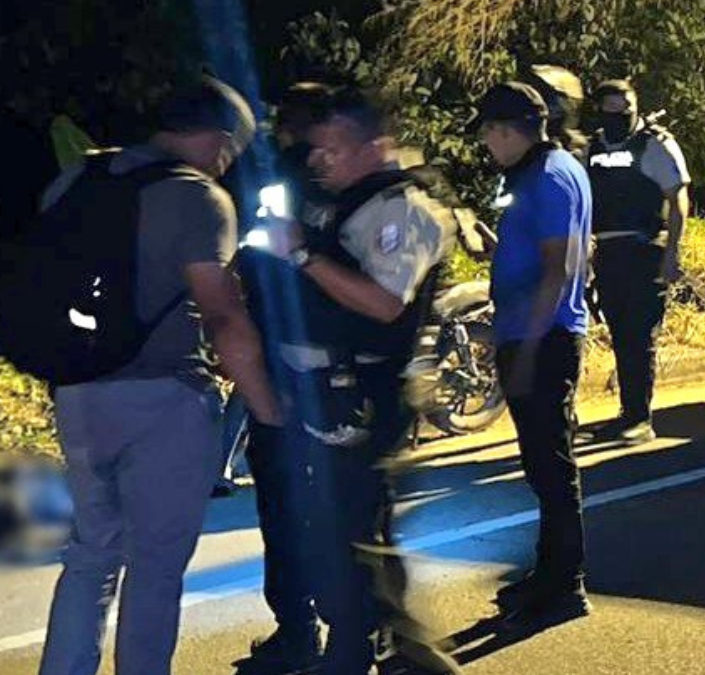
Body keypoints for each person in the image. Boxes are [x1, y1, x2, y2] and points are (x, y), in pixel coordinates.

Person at [37, 76, 283, 675]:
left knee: (91, 555)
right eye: (231, 152)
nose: (227, 165)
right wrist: (269, 412)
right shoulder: (196, 197)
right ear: (218, 139)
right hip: (163, 397)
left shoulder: (79, 178)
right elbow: (223, 316)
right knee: (155, 567)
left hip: (79, 395)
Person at [257, 86, 460, 675]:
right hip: (315, 386)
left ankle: (386, 654)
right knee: (341, 534)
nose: (319, 161)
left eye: (333, 149)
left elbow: (384, 304)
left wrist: (301, 256)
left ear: (376, 146)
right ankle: (374, 648)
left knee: (352, 537)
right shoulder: (333, 202)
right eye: (315, 149)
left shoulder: (405, 210)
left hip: (363, 392)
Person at [468, 82, 593, 626]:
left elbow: (559, 268)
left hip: (544, 337)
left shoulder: (548, 178)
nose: (484, 143)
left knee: (551, 467)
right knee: (544, 466)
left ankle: (566, 584)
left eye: (487, 132)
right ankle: (550, 575)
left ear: (506, 130)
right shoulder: (550, 170)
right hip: (533, 333)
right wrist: (494, 250)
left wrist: (528, 348)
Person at [234, 82, 334, 674]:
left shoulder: (274, 183)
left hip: (281, 357)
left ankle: (300, 630)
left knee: (283, 499)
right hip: (331, 364)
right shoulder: (346, 181)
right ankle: (348, 627)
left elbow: (251, 258)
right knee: (335, 500)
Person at [585, 79, 690, 446]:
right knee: (620, 335)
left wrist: (673, 252)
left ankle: (640, 420)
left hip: (646, 250)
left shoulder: (654, 144)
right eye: (610, 110)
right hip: (608, 252)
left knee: (640, 336)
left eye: (625, 110)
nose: (618, 117)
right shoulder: (594, 147)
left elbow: (677, 199)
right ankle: (628, 413)